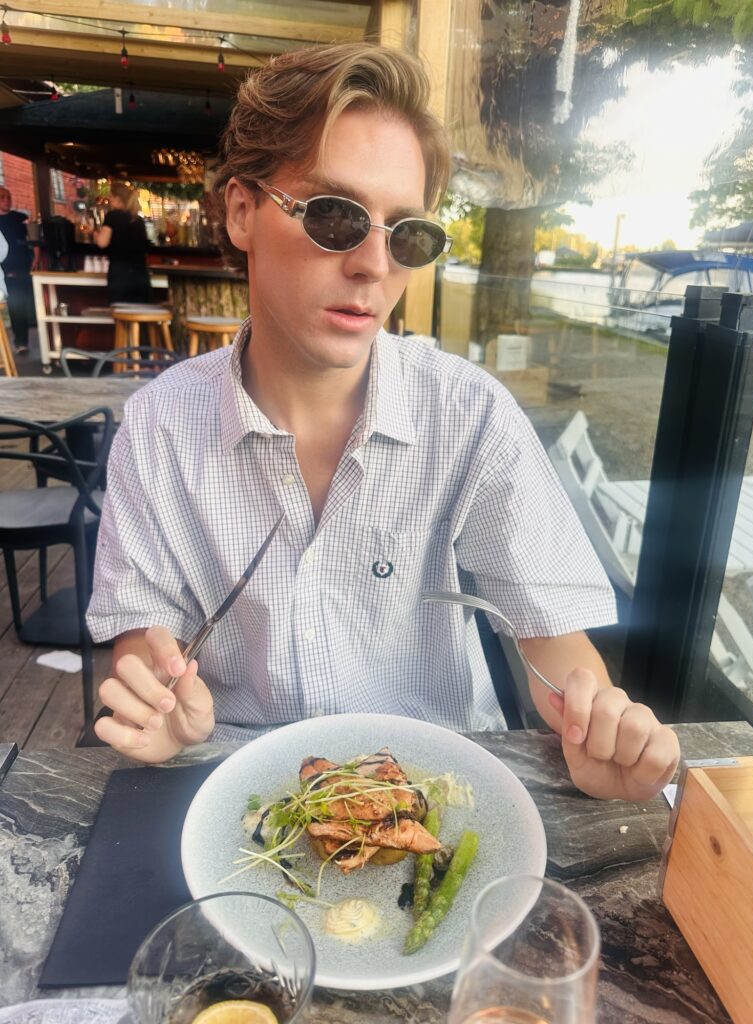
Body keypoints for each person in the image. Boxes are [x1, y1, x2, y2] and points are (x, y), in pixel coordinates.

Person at [87, 43, 680, 802]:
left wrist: (597, 729)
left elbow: (556, 641)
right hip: (239, 793)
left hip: (436, 796)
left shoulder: (468, 416)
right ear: (241, 211)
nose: (375, 264)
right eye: (334, 216)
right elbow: (143, 641)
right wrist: (157, 705)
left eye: (407, 235)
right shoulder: (160, 427)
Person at [93, 183, 151, 305]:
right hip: (140, 275)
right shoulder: (138, 220)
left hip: (120, 274)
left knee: (120, 313)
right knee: (141, 313)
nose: (109, 200)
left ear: (118, 198)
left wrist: (93, 232)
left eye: (111, 197)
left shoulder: (112, 216)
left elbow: (102, 243)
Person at [0, 187, 36, 353]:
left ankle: (24, 340)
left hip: (23, 266)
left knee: (24, 304)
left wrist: (36, 258)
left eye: (8, 197)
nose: (6, 200)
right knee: (15, 305)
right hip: (5, 269)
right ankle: (20, 342)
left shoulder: (20, 218)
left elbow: (33, 238)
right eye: (2, 197)